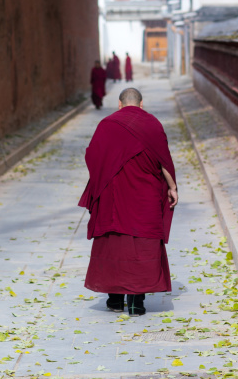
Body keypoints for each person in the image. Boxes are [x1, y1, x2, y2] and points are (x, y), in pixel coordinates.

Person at [78, 87, 177, 316]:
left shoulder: (107, 124)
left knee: (115, 242)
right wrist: (172, 188)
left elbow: (93, 158)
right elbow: (164, 161)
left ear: (119, 104)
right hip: (145, 197)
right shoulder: (152, 124)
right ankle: (136, 302)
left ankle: (114, 300)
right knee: (141, 243)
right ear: (141, 105)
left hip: (113, 195)